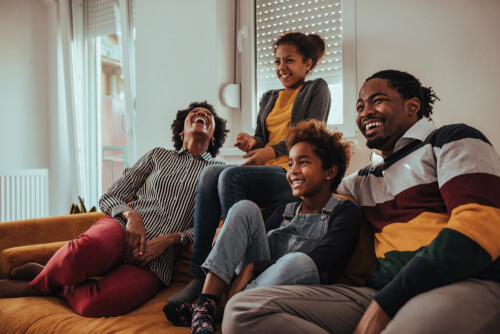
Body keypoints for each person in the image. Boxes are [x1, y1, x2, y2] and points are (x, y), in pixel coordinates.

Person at [222, 70, 500, 334]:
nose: (365, 112)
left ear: (412, 106)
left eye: (377, 100)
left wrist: (389, 301)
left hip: (460, 281)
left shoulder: (452, 139)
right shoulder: (363, 179)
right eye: (359, 107)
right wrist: (236, 224)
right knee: (241, 311)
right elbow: (308, 193)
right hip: (375, 293)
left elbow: (480, 226)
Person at [0, 101, 228, 317]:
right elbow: (110, 196)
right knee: (77, 254)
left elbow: (209, 227)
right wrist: (131, 216)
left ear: (214, 135)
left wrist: (168, 240)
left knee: (94, 304)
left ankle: (48, 279)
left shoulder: (219, 172)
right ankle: (35, 286)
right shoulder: (157, 155)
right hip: (120, 229)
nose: (202, 115)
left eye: (208, 115)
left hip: (155, 261)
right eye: (195, 112)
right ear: (181, 130)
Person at [169, 32, 333, 304]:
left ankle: (230, 272)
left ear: (308, 63)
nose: (282, 67)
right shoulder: (269, 97)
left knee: (232, 175)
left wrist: (270, 151)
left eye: (289, 60)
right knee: (210, 173)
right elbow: (261, 135)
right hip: (267, 172)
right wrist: (253, 141)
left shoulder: (317, 89)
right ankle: (200, 276)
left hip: (293, 174)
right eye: (278, 61)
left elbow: (310, 133)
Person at [164, 119, 361, 334]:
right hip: (256, 285)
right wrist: (227, 227)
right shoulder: (283, 211)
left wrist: (252, 268)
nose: (293, 171)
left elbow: (319, 261)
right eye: (290, 164)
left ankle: (226, 309)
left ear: (330, 172)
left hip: (301, 293)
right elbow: (243, 234)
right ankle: (205, 306)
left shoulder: (345, 212)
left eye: (303, 162)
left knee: (300, 262)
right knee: (244, 208)